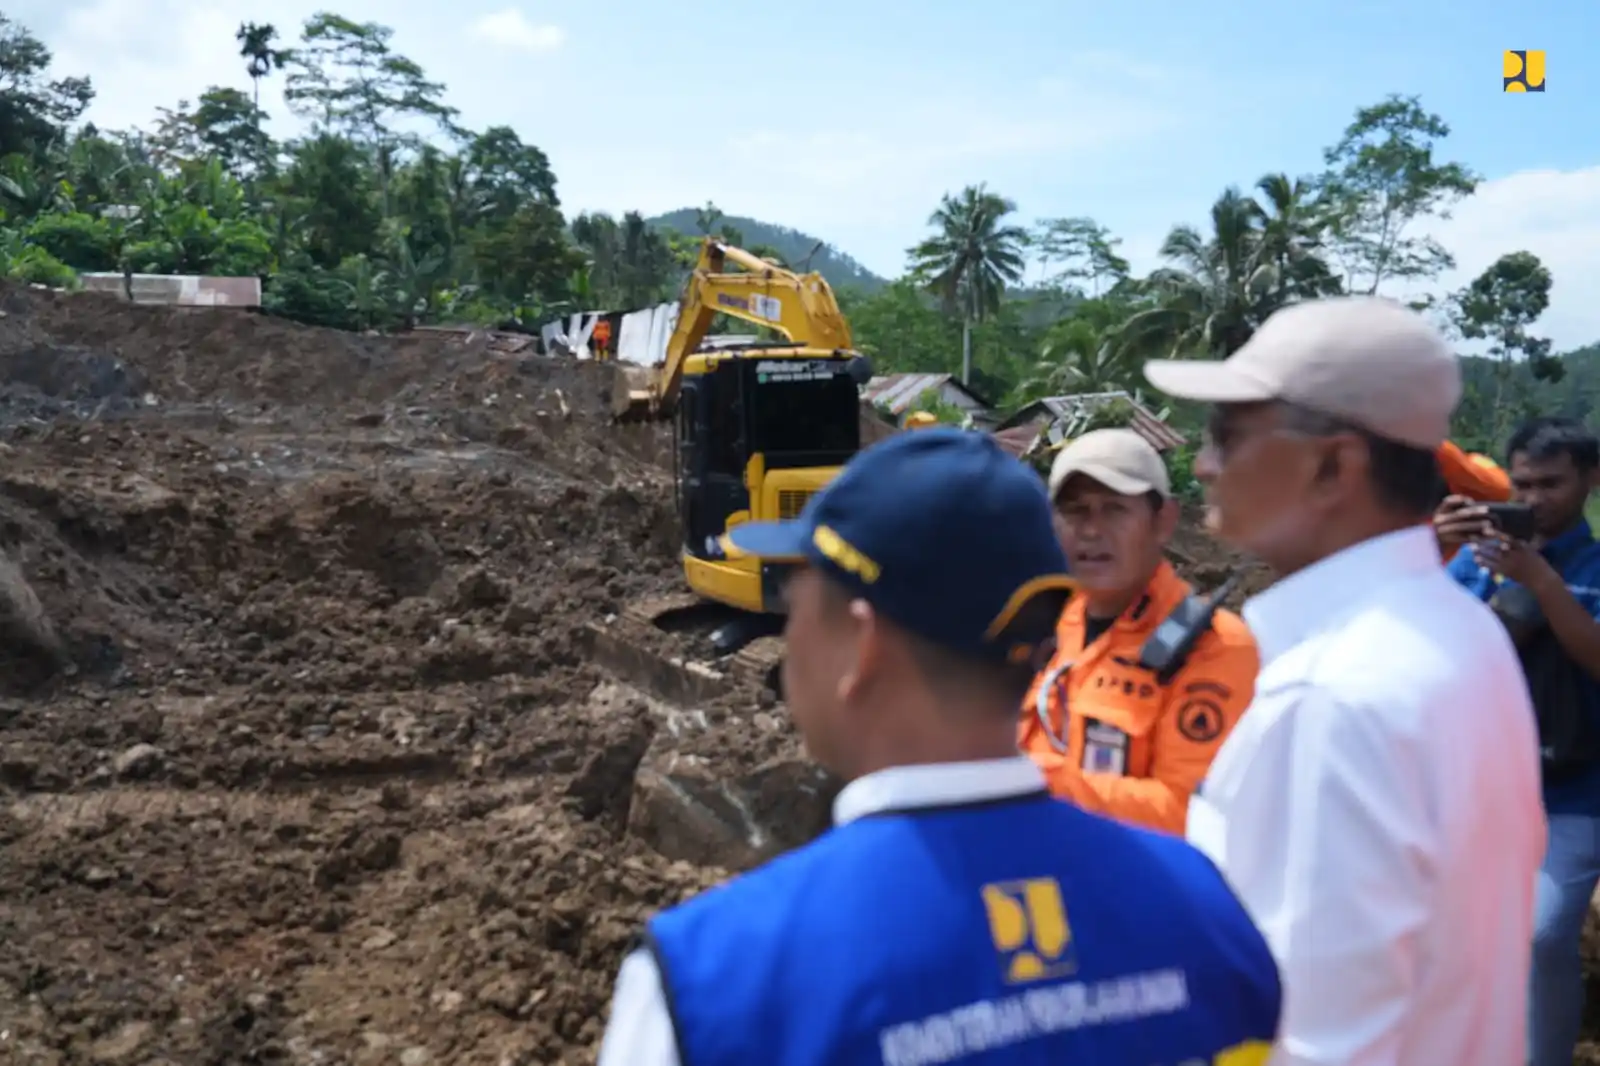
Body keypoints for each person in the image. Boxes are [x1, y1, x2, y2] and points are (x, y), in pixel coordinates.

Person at [596, 428, 1281, 1066]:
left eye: (796, 598)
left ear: (862, 645)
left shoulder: (711, 984)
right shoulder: (1214, 919)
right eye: (1076, 512)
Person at [1143, 295, 1544, 1066]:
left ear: (1333, 465)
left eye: (1228, 433)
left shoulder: (1331, 696)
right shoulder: (1461, 639)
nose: (1203, 463)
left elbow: (1315, 1043)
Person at [1435, 416, 1600, 1066]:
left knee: (1540, 934)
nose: (1532, 499)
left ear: (1591, 479)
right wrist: (1429, 555)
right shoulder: (1476, 560)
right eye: (1522, 484)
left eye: (1551, 484)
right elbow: (1426, 648)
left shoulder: (1589, 567)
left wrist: (1542, 586)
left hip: (1574, 790)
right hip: (1478, 786)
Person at [1019, 428, 1258, 834]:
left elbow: (1190, 816)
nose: (1092, 530)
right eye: (1076, 510)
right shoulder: (1042, 625)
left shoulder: (1215, 646)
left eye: (1114, 509)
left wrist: (1028, 784)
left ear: (1163, 521)